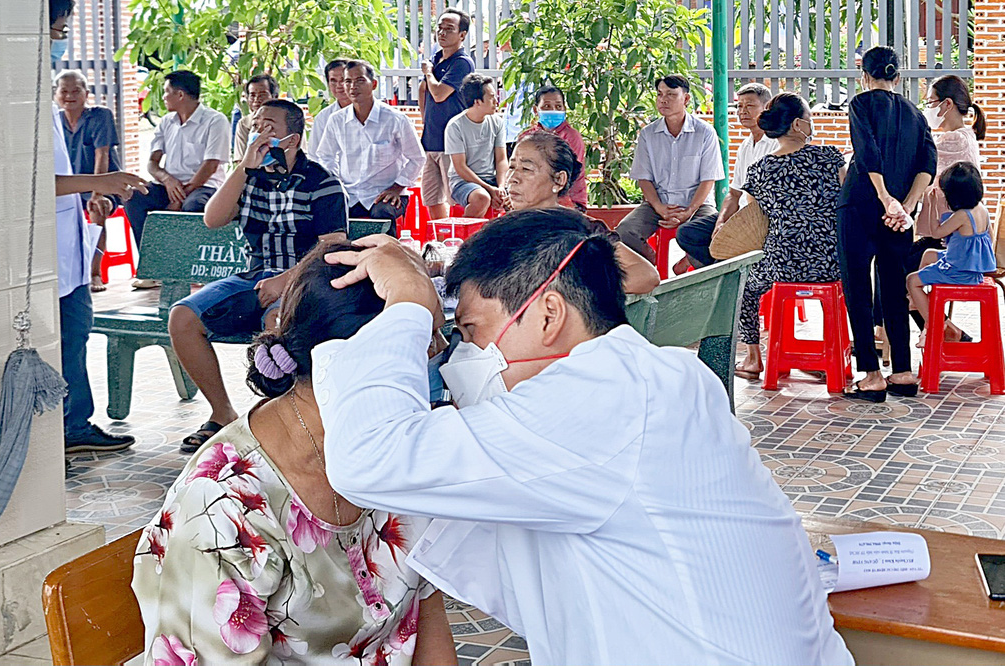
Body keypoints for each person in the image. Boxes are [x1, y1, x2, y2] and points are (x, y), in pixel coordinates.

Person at [314, 211, 853, 665]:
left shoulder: (600, 400)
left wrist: (408, 305)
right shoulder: (654, 376)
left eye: (472, 332)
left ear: (548, 314)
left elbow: (367, 457)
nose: (463, 358)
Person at [134, 243, 457, 665]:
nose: (438, 352)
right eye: (422, 336)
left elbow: (424, 611)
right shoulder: (222, 507)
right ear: (359, 359)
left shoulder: (398, 450)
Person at [168, 99, 347, 454]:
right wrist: (244, 167)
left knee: (276, 321)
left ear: (292, 139)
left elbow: (333, 246)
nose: (260, 134)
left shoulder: (321, 182)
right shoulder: (251, 178)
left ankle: (287, 424)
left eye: (269, 128)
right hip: (254, 275)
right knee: (182, 317)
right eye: (256, 127)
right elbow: (212, 218)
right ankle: (222, 414)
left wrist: (286, 279)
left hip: (305, 279)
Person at [49, 0, 149, 453]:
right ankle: (67, 429)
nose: (59, 40)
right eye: (57, 30)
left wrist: (94, 193)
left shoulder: (79, 113)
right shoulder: (26, 104)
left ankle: (75, 427)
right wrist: (99, 183)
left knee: (76, 335)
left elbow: (59, 178)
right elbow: (26, 187)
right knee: (66, 339)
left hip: (69, 240)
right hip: (46, 251)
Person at [839, 46, 936, 400]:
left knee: (858, 289)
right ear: (898, 77)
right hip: (899, 218)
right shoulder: (916, 114)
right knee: (894, 289)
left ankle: (870, 374)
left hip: (861, 206)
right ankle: (904, 373)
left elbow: (867, 154)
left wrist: (885, 198)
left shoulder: (860, 104)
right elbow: (928, 163)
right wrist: (906, 207)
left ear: (864, 76)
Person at [732, 93, 845, 379]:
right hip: (829, 262)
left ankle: (753, 358)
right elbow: (847, 203)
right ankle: (834, 354)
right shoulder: (829, 158)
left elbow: (755, 221)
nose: (812, 124)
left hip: (781, 263)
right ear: (797, 124)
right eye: (810, 119)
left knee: (745, 287)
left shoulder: (758, 172)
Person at [506, 131, 658, 293]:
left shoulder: (582, 229)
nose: (512, 178)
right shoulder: (502, 229)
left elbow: (646, 275)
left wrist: (568, 291)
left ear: (559, 180)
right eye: (512, 167)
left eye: (526, 169)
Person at [616, 75, 725, 271]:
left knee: (714, 234)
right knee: (624, 231)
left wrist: (689, 211)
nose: (663, 100)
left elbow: (708, 180)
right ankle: (650, 263)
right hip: (657, 203)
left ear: (686, 99)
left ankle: (691, 271)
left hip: (698, 205)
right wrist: (659, 207)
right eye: (660, 94)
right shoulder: (648, 134)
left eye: (671, 95)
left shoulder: (705, 133)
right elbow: (644, 178)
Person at [908, 75, 987, 330]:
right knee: (903, 262)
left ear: (947, 104)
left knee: (900, 269)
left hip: (951, 234)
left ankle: (942, 331)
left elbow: (921, 172)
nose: (927, 109)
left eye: (930, 103)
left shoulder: (952, 140)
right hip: (952, 231)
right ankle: (942, 330)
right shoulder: (966, 134)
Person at [126, 70, 231, 254]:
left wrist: (180, 197)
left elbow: (211, 165)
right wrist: (167, 180)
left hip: (203, 187)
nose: (164, 97)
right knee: (134, 196)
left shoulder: (215, 121)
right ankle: (151, 260)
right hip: (169, 186)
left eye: (167, 92)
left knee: (193, 207)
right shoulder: (166, 122)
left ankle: (189, 264)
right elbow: (152, 162)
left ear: (180, 94)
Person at [315, 60, 424, 236]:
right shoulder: (336, 120)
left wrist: (397, 187)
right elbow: (325, 156)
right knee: (331, 217)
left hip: (386, 192)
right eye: (348, 81)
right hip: (349, 192)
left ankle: (388, 259)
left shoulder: (395, 119)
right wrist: (337, 184)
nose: (352, 87)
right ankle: (341, 261)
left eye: (359, 80)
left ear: (373, 84)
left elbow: (417, 158)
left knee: (381, 214)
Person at [677, 82, 776, 268]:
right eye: (739, 106)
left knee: (725, 251)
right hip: (740, 217)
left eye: (750, 105)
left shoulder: (775, 143)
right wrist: (720, 223)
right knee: (687, 233)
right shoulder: (745, 146)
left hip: (762, 220)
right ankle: (722, 272)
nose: (743, 111)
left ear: (767, 107)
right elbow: (733, 194)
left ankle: (724, 276)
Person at [907, 162, 996, 348]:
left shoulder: (962, 215)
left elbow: (936, 232)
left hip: (959, 272)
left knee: (911, 280)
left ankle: (932, 324)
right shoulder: (983, 210)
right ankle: (918, 301)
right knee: (930, 254)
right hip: (972, 270)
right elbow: (987, 240)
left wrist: (930, 205)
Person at [54, 69, 124, 292]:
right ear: (56, 94)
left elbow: (101, 154)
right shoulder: (54, 120)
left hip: (103, 183)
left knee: (97, 209)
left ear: (86, 93)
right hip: (68, 188)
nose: (69, 96)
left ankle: (94, 273)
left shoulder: (100, 115)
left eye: (76, 91)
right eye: (64, 91)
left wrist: (98, 192)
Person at [419, 9, 476, 220]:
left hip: (452, 143)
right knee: (432, 198)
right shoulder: (436, 58)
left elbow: (439, 93)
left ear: (462, 35)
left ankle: (458, 242)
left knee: (456, 198)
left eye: (449, 29)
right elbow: (423, 90)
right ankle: (439, 242)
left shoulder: (462, 62)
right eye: (439, 28)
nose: (442, 33)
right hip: (432, 140)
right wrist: (425, 118)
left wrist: (427, 72)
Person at [443, 73, 506, 218]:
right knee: (481, 198)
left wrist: (501, 187)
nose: (496, 100)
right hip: (463, 182)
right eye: (491, 97)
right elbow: (460, 167)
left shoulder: (497, 122)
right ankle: (467, 237)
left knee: (519, 197)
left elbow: (501, 160)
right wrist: (489, 189)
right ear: (477, 102)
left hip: (492, 179)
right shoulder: (455, 126)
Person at [516, 84, 587, 210]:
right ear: (535, 110)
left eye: (558, 106)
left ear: (564, 109)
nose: (553, 110)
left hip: (568, 200)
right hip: (530, 199)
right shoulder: (526, 138)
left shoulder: (572, 137)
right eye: (547, 106)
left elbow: (570, 176)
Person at [307, 59, 352, 160]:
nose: (339, 86)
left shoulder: (368, 112)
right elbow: (315, 155)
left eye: (343, 80)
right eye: (333, 81)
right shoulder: (323, 118)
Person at [232, 74, 279, 165]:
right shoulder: (244, 124)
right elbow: (241, 162)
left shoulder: (288, 120)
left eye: (262, 95)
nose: (257, 99)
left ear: (275, 96)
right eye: (252, 95)